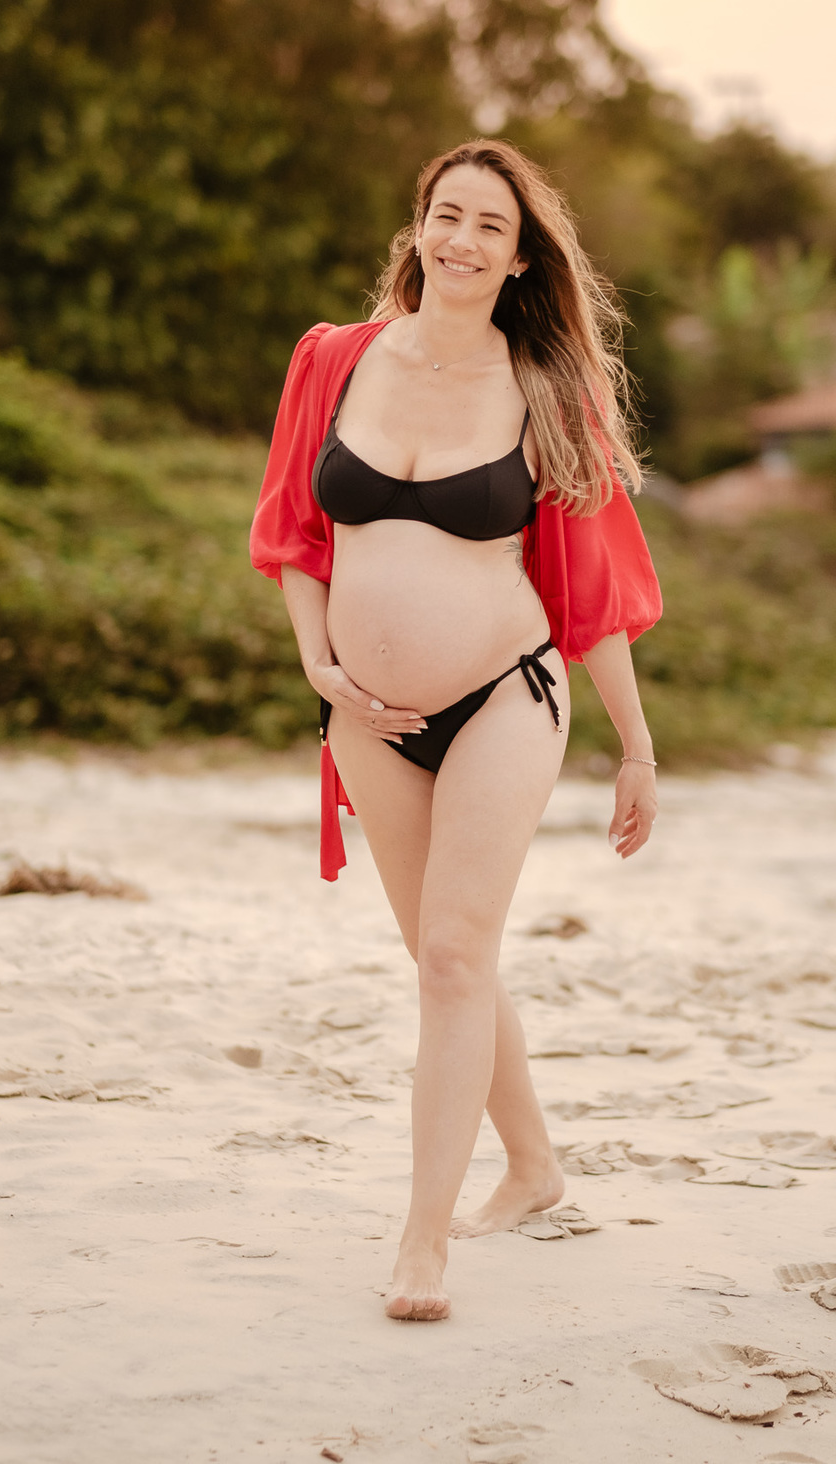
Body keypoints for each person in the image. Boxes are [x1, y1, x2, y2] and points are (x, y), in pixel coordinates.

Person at [250, 138, 661, 1322]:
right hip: (365, 716)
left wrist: (635, 748)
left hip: (504, 696)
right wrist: (320, 665)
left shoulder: (545, 389)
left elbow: (593, 587)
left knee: (450, 957)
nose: (463, 239)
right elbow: (291, 533)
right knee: (450, 956)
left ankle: (421, 1244)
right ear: (418, 227)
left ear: (522, 256)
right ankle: (533, 1168)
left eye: (491, 224)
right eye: (448, 213)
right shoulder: (334, 359)